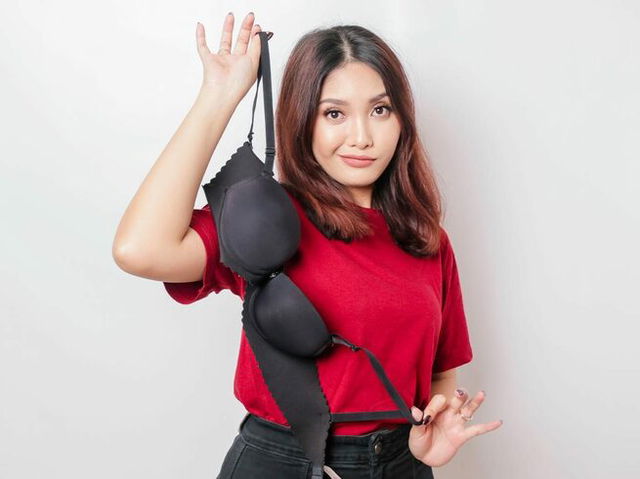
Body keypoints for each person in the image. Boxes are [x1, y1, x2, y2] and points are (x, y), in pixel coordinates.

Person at [112, 11, 503, 478]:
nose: (361, 136)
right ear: (303, 121)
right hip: (283, 463)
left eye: (380, 110)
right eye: (334, 113)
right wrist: (219, 97)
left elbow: (441, 367)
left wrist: (430, 436)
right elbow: (139, 249)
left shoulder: (426, 239)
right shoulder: (268, 219)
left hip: (403, 463)